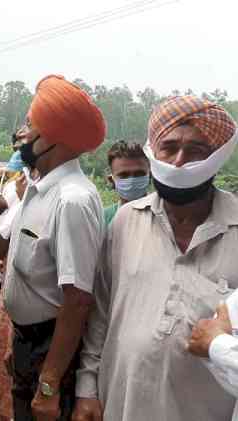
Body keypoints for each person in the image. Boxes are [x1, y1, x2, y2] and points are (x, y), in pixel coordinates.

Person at [74, 96, 238, 421]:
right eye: (169, 147)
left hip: (204, 410)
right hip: (121, 402)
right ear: (154, 152)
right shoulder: (125, 220)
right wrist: (86, 388)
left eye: (195, 151)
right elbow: (101, 313)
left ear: (217, 157)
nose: (179, 161)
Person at [3, 75, 106, 421]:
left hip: (52, 351)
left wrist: (49, 383)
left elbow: (77, 301)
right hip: (28, 344)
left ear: (54, 139)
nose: (23, 133)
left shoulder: (72, 200)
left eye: (31, 126)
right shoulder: (38, 189)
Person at [103, 140, 150, 226]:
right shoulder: (103, 220)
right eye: (124, 175)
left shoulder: (165, 216)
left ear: (150, 176)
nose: (132, 180)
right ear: (111, 180)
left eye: (139, 174)